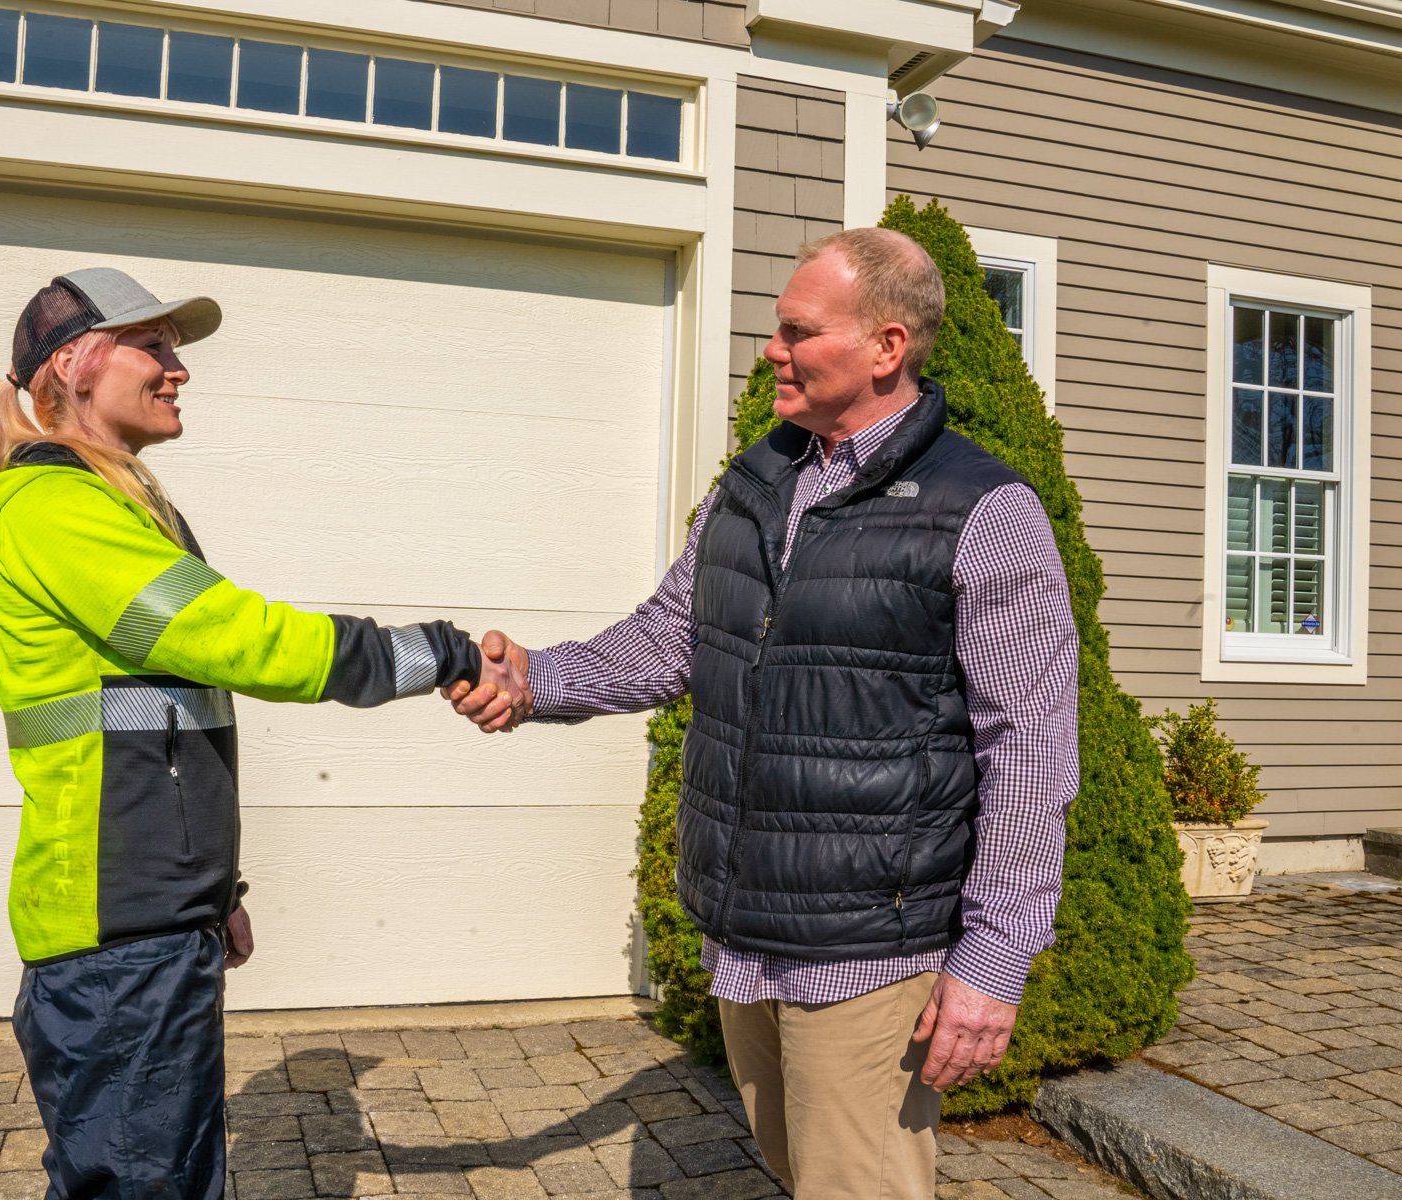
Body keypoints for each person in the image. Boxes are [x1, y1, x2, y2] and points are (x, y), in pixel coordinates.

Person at [451, 229, 1079, 1199]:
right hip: (750, 922)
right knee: (798, 1173)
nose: (771, 352)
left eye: (797, 331)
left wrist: (994, 960)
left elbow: (1029, 753)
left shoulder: (982, 509)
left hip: (874, 941)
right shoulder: (755, 483)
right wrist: (537, 679)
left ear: (886, 346)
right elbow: (671, 640)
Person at [0, 267, 508, 1200]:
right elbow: (246, 641)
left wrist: (210, 893)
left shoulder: (106, 503)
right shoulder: (61, 512)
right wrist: (441, 653)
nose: (177, 369)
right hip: (121, 937)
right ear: (75, 364)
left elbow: (159, 726)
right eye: (151, 347)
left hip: (145, 920)